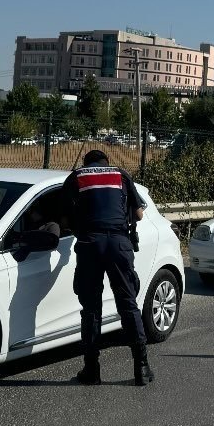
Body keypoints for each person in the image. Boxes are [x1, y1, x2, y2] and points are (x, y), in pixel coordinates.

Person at [61, 148, 151, 387]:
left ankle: (92, 370)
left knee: (91, 309)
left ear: (85, 162)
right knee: (128, 304)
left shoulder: (76, 178)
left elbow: (65, 219)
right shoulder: (120, 174)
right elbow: (140, 214)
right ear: (106, 162)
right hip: (120, 245)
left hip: (90, 244)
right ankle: (141, 367)